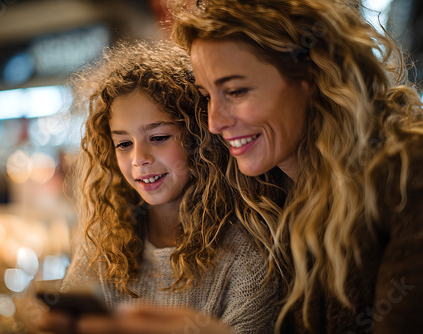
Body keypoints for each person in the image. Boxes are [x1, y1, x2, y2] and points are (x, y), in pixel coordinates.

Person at [63, 0, 423, 333]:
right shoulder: (272, 195)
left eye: (236, 91)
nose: (213, 122)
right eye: (207, 96)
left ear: (312, 75)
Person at [38, 40, 284, 334]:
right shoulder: (104, 244)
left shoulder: (249, 255)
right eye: (124, 144)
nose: (139, 159)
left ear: (199, 138)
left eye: (158, 138)